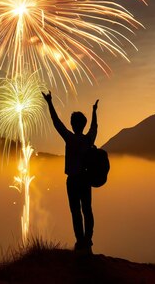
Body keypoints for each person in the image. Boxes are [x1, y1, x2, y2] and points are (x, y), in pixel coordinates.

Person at [42, 91, 98, 251]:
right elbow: (94, 127)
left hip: (73, 180)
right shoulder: (89, 139)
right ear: (83, 125)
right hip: (86, 180)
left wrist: (49, 102)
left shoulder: (70, 138)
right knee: (87, 209)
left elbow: (56, 122)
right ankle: (88, 240)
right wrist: (94, 112)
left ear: (73, 124)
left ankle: (80, 240)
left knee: (76, 211)